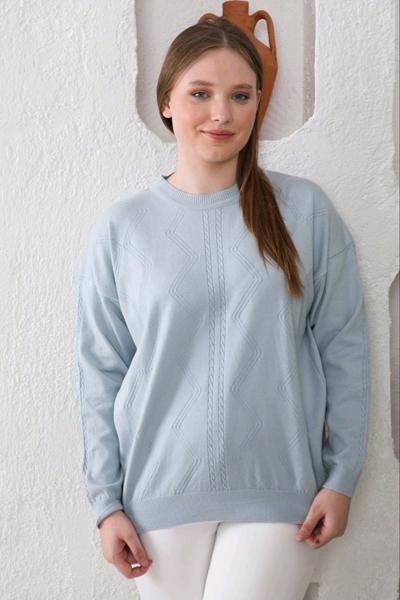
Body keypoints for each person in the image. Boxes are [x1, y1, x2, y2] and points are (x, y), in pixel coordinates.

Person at [76, 18, 370, 600]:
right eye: (200, 93)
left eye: (240, 95)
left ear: (258, 104)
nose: (221, 113)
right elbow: (101, 373)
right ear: (166, 102)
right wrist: (105, 504)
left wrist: (342, 477)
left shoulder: (305, 210)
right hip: (157, 498)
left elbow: (345, 348)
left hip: (280, 490)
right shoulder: (122, 228)